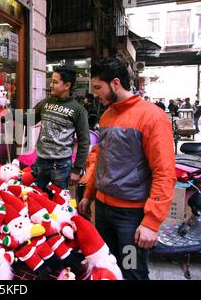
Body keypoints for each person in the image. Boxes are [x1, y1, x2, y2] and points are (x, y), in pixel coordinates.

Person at [78, 58, 176, 280]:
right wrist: (89, 194)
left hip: (130, 219)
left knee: (131, 270)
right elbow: (100, 159)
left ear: (114, 83)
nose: (95, 94)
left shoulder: (152, 116)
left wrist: (151, 222)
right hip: (102, 212)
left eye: (97, 87)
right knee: (106, 267)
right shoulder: (106, 115)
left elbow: (164, 172)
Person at [30, 66, 89, 196]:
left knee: (59, 206)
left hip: (61, 167)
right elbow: (28, 119)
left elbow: (84, 142)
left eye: (55, 82)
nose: (51, 85)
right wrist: (6, 112)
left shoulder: (78, 110)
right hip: (40, 162)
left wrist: (76, 169)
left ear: (67, 85)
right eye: (52, 81)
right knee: (34, 199)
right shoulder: (45, 103)